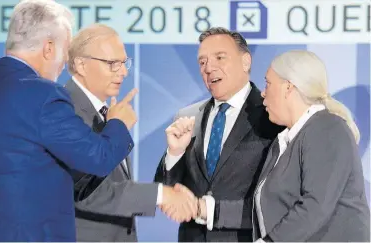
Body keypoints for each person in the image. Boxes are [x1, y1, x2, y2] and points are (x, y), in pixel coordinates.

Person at [0, 0, 138, 241]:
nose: (64, 63)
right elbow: (98, 157)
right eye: (65, 53)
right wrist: (118, 123)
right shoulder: (45, 96)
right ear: (48, 48)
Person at [65, 24, 197, 242]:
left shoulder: (105, 111)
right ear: (81, 64)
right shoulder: (66, 109)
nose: (124, 72)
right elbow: (87, 192)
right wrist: (162, 195)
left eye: (124, 63)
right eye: (112, 64)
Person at [154, 27, 283, 242]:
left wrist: (208, 209)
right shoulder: (187, 117)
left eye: (219, 58)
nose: (209, 68)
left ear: (246, 62)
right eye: (202, 62)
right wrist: (174, 153)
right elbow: (166, 193)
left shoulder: (273, 116)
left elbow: (279, 201)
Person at [253, 50, 370, 242]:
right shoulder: (284, 142)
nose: (263, 93)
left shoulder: (328, 128)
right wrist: (207, 209)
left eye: (268, 83)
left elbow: (316, 205)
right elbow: (260, 207)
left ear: (288, 87)